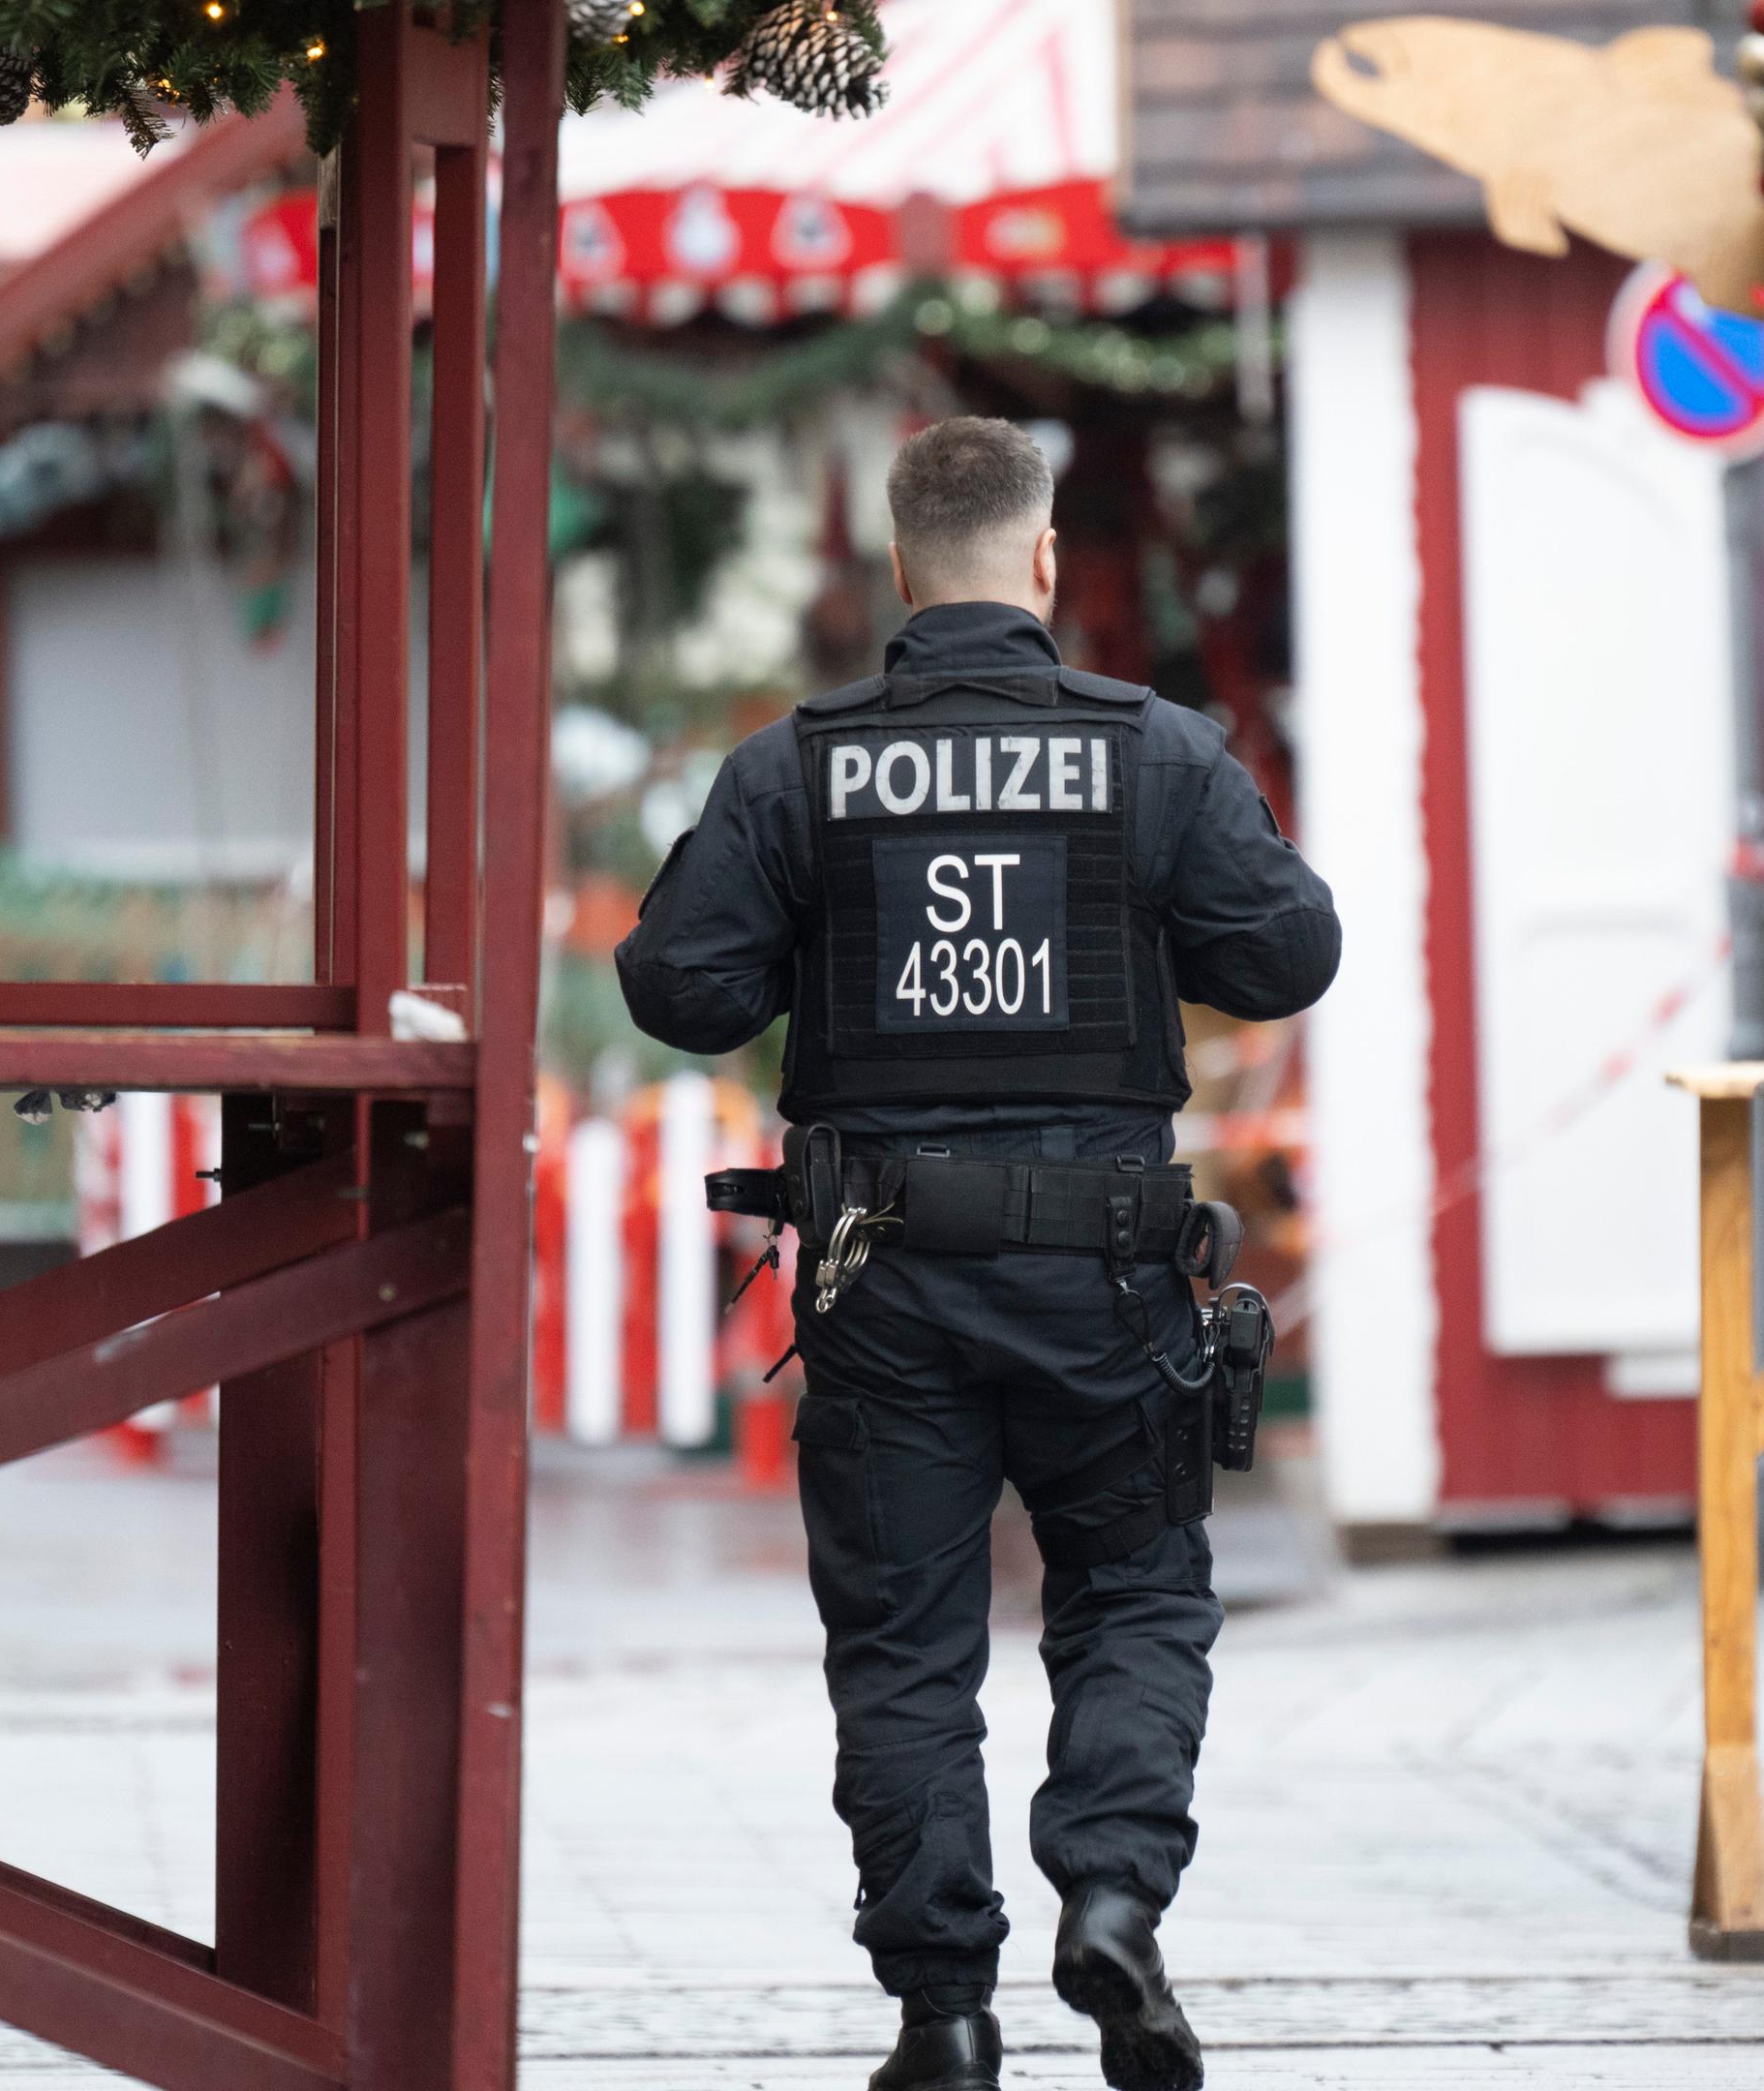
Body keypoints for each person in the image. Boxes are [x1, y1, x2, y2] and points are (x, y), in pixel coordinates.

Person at [616, 417, 1339, 2091]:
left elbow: (680, 989)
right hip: (1108, 1274)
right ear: (1041, 559)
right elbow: (1290, 952)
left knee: (904, 1644)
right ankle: (1109, 1899)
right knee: (1137, 1593)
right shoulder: (1152, 754)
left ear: (891, 565)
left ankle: (942, 2009)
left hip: (887, 1284)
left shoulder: (794, 767)